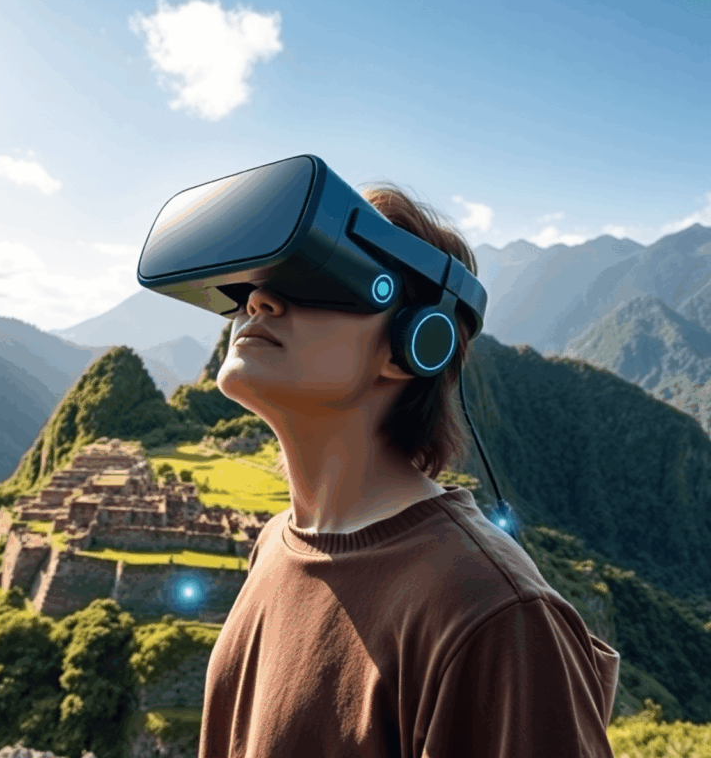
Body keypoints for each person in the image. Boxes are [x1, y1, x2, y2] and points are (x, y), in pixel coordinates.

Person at [198, 182, 620, 757]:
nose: (259, 302)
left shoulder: (491, 612)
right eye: (260, 281)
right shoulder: (276, 545)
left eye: (318, 278)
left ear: (413, 344)